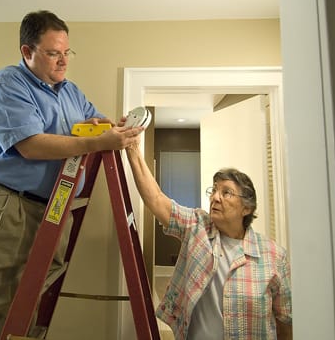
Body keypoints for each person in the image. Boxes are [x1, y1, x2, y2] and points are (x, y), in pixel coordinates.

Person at [0, 10, 143, 340]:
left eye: (66, 52)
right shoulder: (8, 84)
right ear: (27, 52)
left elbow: (95, 121)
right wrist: (98, 141)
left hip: (54, 207)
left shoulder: (70, 91)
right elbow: (29, 145)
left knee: (31, 300)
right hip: (5, 206)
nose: (63, 61)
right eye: (53, 53)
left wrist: (116, 127)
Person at [125, 142, 292, 340]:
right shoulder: (198, 227)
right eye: (214, 190)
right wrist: (132, 148)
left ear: (246, 208)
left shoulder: (273, 255)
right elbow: (156, 199)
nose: (215, 197)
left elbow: (285, 321)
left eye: (226, 192)